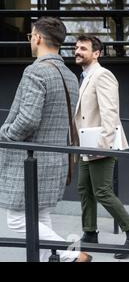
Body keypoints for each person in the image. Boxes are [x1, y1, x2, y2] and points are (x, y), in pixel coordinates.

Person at [0, 17, 91, 262]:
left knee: (17, 219)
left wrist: (4, 133)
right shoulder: (70, 76)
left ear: (38, 38)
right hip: (56, 159)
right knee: (41, 217)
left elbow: (28, 120)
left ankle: (70, 252)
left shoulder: (36, 71)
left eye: (31, 36)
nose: (30, 40)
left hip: (31, 161)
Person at [74, 35, 129, 259]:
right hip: (86, 144)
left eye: (83, 48)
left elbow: (110, 114)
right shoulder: (85, 77)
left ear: (96, 53)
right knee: (84, 188)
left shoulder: (102, 75)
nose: (77, 51)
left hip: (100, 143)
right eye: (76, 47)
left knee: (102, 191)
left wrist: (103, 147)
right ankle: (89, 233)